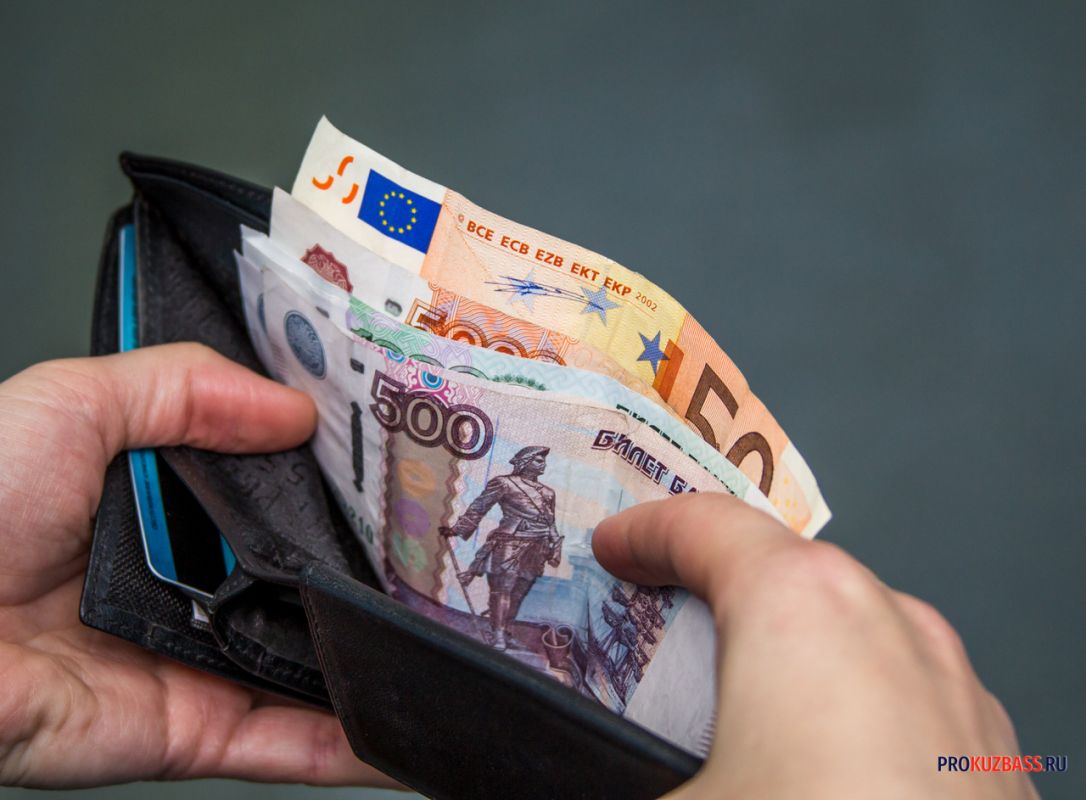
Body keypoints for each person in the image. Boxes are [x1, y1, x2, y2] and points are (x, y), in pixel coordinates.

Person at [0, 344, 1036, 798]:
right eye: (533, 461)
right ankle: (491, 647)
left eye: (536, 462)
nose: (533, 467)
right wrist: (457, 532)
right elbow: (484, 510)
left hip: (529, 559)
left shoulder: (535, 493)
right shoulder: (509, 485)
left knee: (515, 610)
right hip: (496, 557)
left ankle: (494, 649)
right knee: (498, 609)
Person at [438, 445, 563, 651]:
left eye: (544, 461)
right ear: (525, 462)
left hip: (538, 547)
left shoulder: (548, 493)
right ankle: (497, 634)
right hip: (509, 543)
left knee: (519, 592)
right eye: (538, 460)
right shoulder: (504, 483)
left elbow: (550, 523)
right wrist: (457, 530)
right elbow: (480, 507)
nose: (544, 464)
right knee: (503, 589)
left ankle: (505, 631)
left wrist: (555, 546)